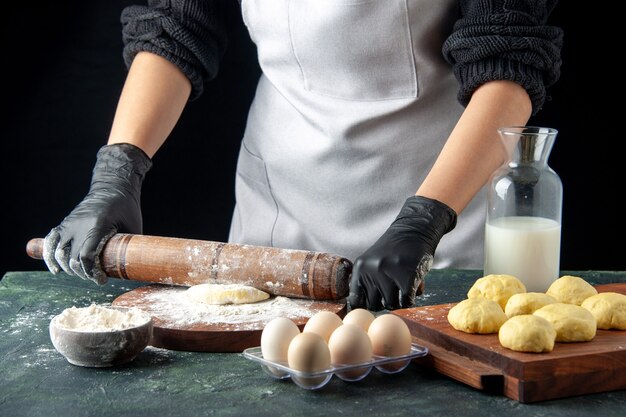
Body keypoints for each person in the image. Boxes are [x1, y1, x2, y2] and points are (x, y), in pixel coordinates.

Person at [42, 0, 563, 311]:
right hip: (279, 211)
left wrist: (424, 220)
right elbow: (175, 25)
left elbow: (508, 64)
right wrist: (118, 169)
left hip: (441, 198)